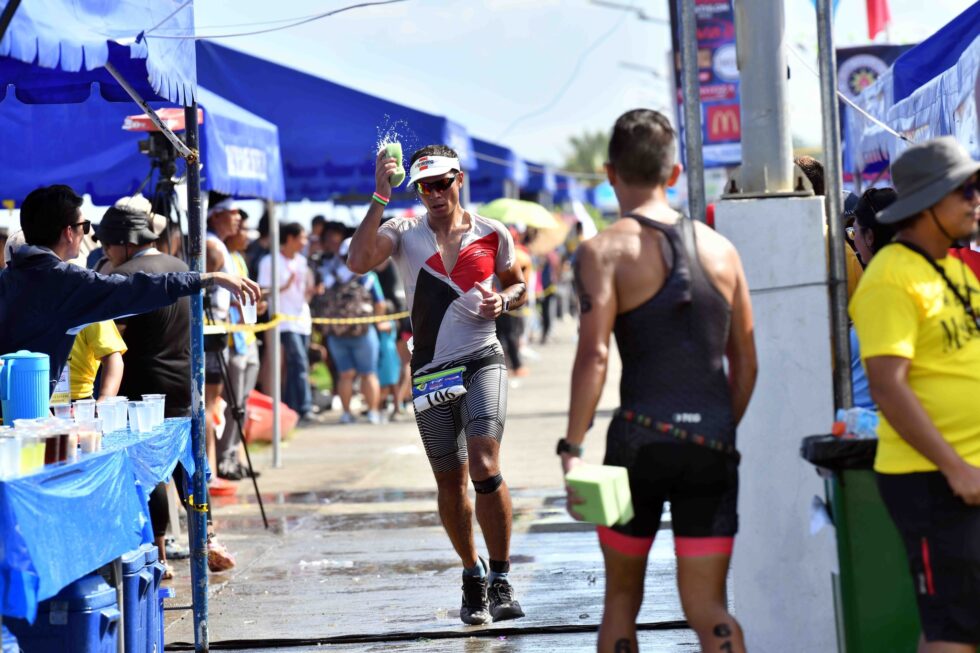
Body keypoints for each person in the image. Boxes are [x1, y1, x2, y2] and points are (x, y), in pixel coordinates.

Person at [563, 109, 757, 653]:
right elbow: (747, 362)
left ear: (609, 173)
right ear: (673, 176)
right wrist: (716, 425)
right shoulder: (723, 251)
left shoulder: (603, 251)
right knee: (709, 608)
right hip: (711, 445)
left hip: (638, 442)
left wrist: (572, 447)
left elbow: (594, 354)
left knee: (622, 602)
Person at [348, 144, 528, 625]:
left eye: (442, 183)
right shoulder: (403, 231)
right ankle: (473, 575)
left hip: (482, 357)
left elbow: (519, 283)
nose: (434, 194)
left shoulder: (493, 232)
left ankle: (502, 577)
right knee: (449, 481)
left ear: (459, 180)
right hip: (430, 369)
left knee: (484, 465)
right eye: (424, 186)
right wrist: (379, 195)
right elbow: (358, 261)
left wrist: (505, 303)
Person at [850, 137, 980, 652]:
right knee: (953, 630)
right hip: (933, 481)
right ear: (928, 204)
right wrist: (954, 467)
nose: (976, 200)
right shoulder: (889, 278)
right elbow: (887, 385)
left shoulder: (951, 268)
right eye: (964, 190)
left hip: (965, 471)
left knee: (960, 624)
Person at [0, 185, 258, 396]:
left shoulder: (8, 277)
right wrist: (208, 278)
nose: (87, 234)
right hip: (26, 411)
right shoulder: (66, 282)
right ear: (69, 232)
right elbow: (137, 289)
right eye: (85, 227)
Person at [98, 196, 241, 574]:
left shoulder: (125, 277)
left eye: (108, 244)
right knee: (188, 465)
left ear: (126, 242)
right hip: (184, 385)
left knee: (148, 472)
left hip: (141, 389)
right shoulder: (181, 267)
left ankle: (158, 553)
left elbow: (114, 340)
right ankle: (208, 535)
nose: (105, 251)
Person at [218, 214, 264, 480]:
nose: (244, 233)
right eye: (242, 227)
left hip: (247, 338)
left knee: (243, 404)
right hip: (234, 340)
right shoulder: (219, 252)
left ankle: (233, 454)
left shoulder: (238, 258)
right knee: (232, 404)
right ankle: (225, 458)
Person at [320, 237, 385, 424]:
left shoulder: (330, 276)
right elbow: (379, 302)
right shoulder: (368, 276)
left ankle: (346, 413)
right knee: (368, 373)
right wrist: (378, 322)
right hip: (364, 331)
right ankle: (373, 412)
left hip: (337, 333)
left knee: (345, 374)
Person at [845, 187, 899, 410]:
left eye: (853, 231)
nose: (853, 239)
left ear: (869, 236)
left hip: (878, 427)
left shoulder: (886, 288)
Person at [258, 222, 313, 421]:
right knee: (298, 361)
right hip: (284, 320)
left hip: (302, 320)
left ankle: (292, 408)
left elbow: (305, 287)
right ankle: (305, 407)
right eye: (302, 237)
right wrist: (282, 287)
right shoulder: (269, 261)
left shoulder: (302, 261)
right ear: (290, 238)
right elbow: (262, 291)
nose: (305, 242)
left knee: (296, 365)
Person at [68, 321, 126, 400]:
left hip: (78, 401)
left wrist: (104, 399)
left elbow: (113, 358)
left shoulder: (90, 311)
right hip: (48, 397)